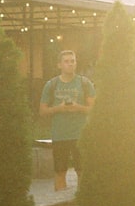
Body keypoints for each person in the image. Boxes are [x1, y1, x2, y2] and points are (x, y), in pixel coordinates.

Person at [39, 49, 96, 191]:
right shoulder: (51, 85)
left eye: (73, 61)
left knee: (82, 170)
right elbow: (43, 111)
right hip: (60, 135)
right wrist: (59, 108)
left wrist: (78, 107)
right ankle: (59, 202)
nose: (70, 64)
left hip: (81, 135)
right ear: (59, 65)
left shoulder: (84, 83)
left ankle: (82, 202)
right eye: (66, 61)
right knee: (60, 171)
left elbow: (94, 109)